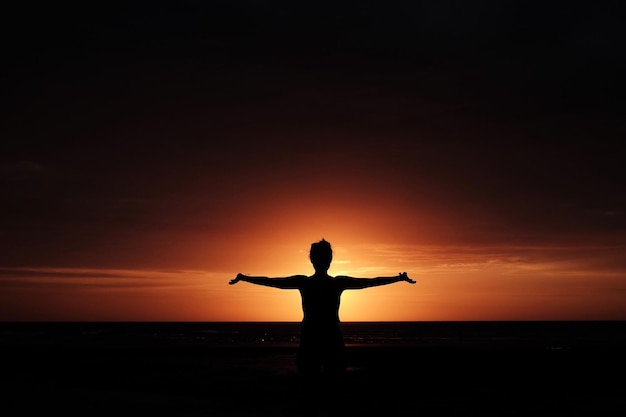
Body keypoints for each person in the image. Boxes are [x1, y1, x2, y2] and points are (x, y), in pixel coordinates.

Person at [229, 239, 415, 413]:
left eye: (323, 257)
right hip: (319, 338)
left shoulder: (321, 282)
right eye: (322, 257)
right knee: (318, 387)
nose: (322, 260)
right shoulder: (318, 282)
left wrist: (397, 279)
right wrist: (245, 278)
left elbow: (368, 282)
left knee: (325, 387)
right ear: (323, 260)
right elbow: (274, 282)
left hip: (322, 338)